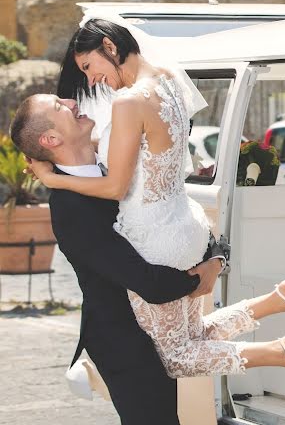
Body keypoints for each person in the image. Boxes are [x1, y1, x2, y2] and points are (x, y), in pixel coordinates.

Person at [27, 18, 285, 397]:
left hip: (155, 239)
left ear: (109, 47)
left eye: (90, 67)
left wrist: (54, 180)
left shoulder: (128, 101)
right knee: (195, 336)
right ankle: (280, 298)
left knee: (176, 358)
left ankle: (282, 350)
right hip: (184, 224)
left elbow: (116, 186)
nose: (91, 81)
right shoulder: (168, 78)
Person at [9, 94, 224, 424]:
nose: (70, 101)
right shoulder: (70, 208)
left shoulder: (118, 161)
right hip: (125, 341)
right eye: (58, 105)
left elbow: (176, 216)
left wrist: (217, 257)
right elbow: (146, 281)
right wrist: (203, 275)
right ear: (51, 139)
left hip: (169, 326)